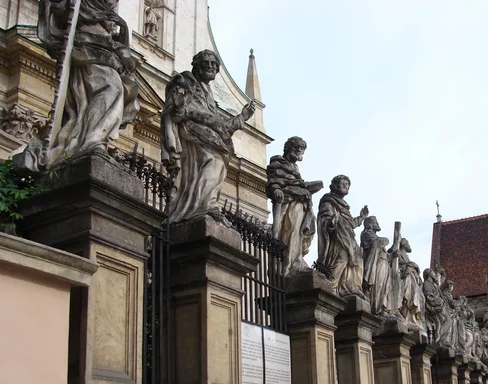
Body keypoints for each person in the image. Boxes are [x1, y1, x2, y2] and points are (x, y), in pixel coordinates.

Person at [37, 0, 139, 168]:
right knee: (112, 89)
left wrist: (121, 26)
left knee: (113, 91)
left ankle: (91, 140)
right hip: (87, 43)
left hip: (105, 47)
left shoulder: (105, 8)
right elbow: (59, 8)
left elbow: (113, 28)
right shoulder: (84, 4)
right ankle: (92, 141)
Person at [161, 49, 255, 223]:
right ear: (197, 65)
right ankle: (204, 205)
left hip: (209, 135)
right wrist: (180, 107)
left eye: (214, 64)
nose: (211, 67)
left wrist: (242, 117)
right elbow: (175, 111)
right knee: (214, 160)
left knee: (217, 162)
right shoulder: (186, 80)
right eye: (207, 62)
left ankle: (202, 204)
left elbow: (220, 125)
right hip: (192, 132)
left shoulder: (210, 95)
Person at [266, 137, 322, 275]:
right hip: (287, 202)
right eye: (296, 147)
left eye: (302, 149)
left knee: (298, 232)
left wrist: (308, 187)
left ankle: (296, 260)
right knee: (289, 229)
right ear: (288, 148)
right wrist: (276, 188)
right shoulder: (277, 161)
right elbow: (274, 180)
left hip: (300, 203)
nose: (299, 151)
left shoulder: (295, 168)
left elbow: (297, 183)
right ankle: (289, 265)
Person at [317, 175, 368, 298]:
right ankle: (332, 285)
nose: (346, 186)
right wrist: (331, 223)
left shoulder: (344, 206)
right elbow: (325, 217)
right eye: (343, 183)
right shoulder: (328, 200)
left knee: (357, 260)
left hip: (348, 237)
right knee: (342, 258)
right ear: (334, 185)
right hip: (337, 238)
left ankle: (350, 286)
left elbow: (350, 224)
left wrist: (361, 217)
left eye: (348, 185)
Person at [361, 216, 395, 315]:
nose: (377, 223)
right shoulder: (367, 234)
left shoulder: (376, 237)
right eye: (375, 221)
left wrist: (392, 255)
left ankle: (382, 307)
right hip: (376, 264)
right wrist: (385, 240)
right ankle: (376, 308)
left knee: (385, 286)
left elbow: (385, 254)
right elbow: (377, 243)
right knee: (378, 284)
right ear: (369, 224)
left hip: (384, 263)